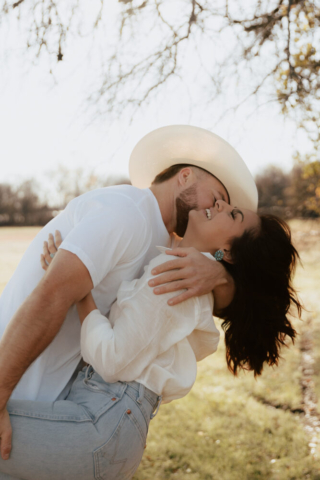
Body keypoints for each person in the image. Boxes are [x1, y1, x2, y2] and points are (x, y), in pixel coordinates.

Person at [0, 125, 258, 463]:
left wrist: (221, 274)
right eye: (217, 196)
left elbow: (232, 301)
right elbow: (50, 297)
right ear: (185, 177)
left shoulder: (164, 244)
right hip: (16, 384)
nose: (217, 206)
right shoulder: (126, 213)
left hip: (53, 403)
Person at [0, 199, 301, 480]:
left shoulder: (177, 279)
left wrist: (77, 289)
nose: (220, 203)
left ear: (229, 252)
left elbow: (113, 360)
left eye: (233, 214)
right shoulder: (179, 268)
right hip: (111, 423)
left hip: (101, 422)